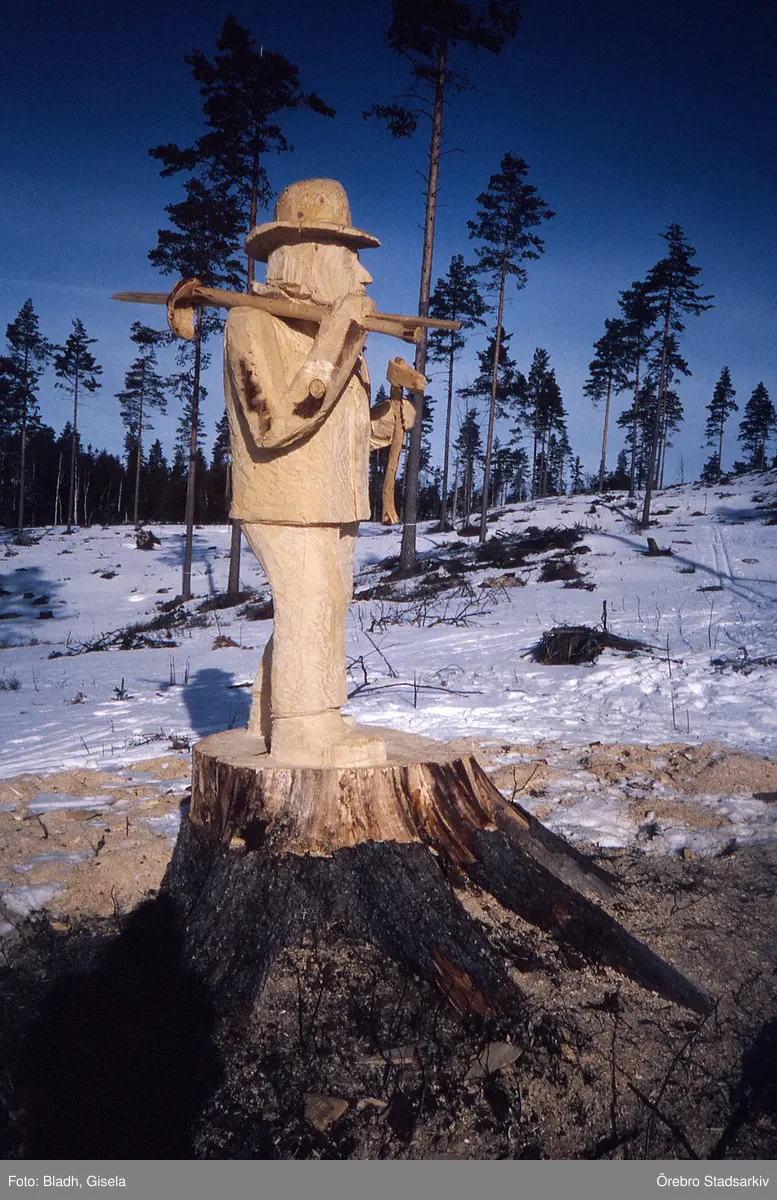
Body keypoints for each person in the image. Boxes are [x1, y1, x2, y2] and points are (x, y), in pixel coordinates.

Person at [223, 178, 416, 766]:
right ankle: (305, 729)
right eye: (349, 258)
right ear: (310, 255)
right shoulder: (252, 323)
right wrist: (342, 334)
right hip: (283, 499)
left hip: (334, 499)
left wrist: (389, 419)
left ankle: (277, 713)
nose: (365, 276)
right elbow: (276, 423)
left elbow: (342, 428)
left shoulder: (334, 334)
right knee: (310, 600)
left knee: (325, 601)